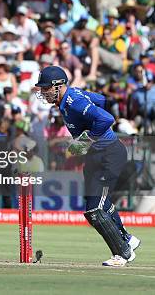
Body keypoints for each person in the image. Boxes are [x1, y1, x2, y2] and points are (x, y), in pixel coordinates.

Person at [35, 66, 141, 267]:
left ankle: (123, 253)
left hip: (108, 154)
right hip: (95, 157)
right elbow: (101, 100)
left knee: (95, 210)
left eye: (46, 88)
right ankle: (127, 239)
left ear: (58, 86)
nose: (43, 92)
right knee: (98, 204)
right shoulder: (70, 97)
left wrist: (86, 139)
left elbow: (107, 118)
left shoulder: (75, 101)